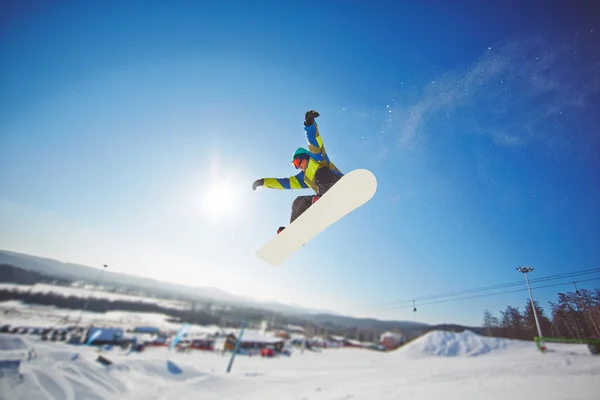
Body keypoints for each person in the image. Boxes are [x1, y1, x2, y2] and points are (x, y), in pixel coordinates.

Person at [252, 110, 344, 233]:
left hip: (336, 185)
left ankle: (323, 198)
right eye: (294, 165)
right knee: (298, 202)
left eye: (297, 162)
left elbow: (314, 141)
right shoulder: (303, 178)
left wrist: (309, 124)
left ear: (305, 156)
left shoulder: (317, 158)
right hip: (322, 197)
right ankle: (296, 231)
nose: (297, 167)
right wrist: (263, 182)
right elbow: (283, 183)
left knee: (320, 173)